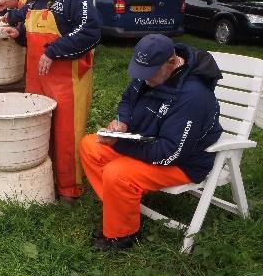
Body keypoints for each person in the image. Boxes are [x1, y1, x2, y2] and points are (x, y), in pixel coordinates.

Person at [79, 34, 223, 251]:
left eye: (149, 74)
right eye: (140, 72)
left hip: (181, 163)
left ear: (172, 62)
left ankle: (122, 235)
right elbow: (128, 99)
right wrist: (122, 123)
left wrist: (118, 144)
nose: (144, 78)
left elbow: (171, 152)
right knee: (90, 146)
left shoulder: (193, 95)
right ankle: (121, 206)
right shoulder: (151, 70)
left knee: (117, 173)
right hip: (145, 143)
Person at [1, 0, 102, 200]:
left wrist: (53, 51)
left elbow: (90, 31)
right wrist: (19, 35)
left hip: (67, 77)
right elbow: (31, 29)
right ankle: (44, 182)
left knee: (66, 134)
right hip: (38, 77)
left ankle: (69, 190)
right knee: (39, 128)